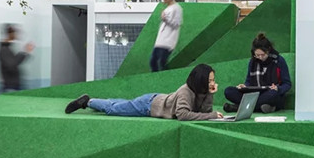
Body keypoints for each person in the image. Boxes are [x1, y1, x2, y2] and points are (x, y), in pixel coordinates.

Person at [65, 63, 224, 120]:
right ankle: (88, 101)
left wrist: (210, 94)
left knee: (123, 104)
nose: (212, 83)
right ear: (200, 79)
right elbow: (183, 115)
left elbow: (204, 111)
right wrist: (211, 116)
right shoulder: (186, 91)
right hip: (148, 106)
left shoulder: (201, 91)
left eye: (213, 80)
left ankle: (98, 101)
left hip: (154, 100)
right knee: (114, 109)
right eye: (209, 80)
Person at [224, 33, 292, 114]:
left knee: (273, 94)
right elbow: (249, 81)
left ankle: (238, 107)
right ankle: (262, 107)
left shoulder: (279, 60)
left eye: (263, 55)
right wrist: (244, 86)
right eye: (257, 55)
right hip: (254, 94)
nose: (260, 57)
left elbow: (287, 84)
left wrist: (278, 88)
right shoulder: (252, 62)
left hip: (270, 93)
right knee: (228, 91)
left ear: (268, 50)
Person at [150, 0, 183, 72]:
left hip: (168, 41)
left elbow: (177, 24)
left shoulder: (177, 8)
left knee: (162, 62)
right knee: (153, 61)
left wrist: (165, 19)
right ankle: (156, 77)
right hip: (161, 40)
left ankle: (164, 77)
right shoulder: (168, 8)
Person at [0, 24, 35, 92]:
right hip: (10, 86)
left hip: (13, 85)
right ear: (9, 34)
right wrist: (25, 51)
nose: (16, 34)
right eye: (15, 32)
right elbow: (12, 64)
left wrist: (25, 52)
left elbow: (13, 61)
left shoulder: (7, 48)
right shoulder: (4, 49)